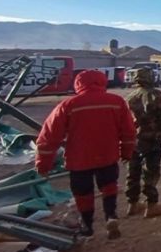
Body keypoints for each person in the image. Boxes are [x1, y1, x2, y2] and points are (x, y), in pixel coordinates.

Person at [35, 70, 135, 239]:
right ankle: (111, 216)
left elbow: (49, 137)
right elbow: (128, 131)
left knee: (83, 193)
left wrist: (43, 164)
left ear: (78, 83)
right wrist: (126, 152)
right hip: (107, 155)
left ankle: (87, 226)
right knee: (109, 186)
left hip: (79, 158)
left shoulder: (68, 105)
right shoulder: (116, 102)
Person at [125, 68, 161, 218]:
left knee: (133, 171)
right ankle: (152, 204)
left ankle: (132, 203)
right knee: (150, 172)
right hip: (152, 139)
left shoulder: (130, 97)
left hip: (134, 139)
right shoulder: (158, 96)